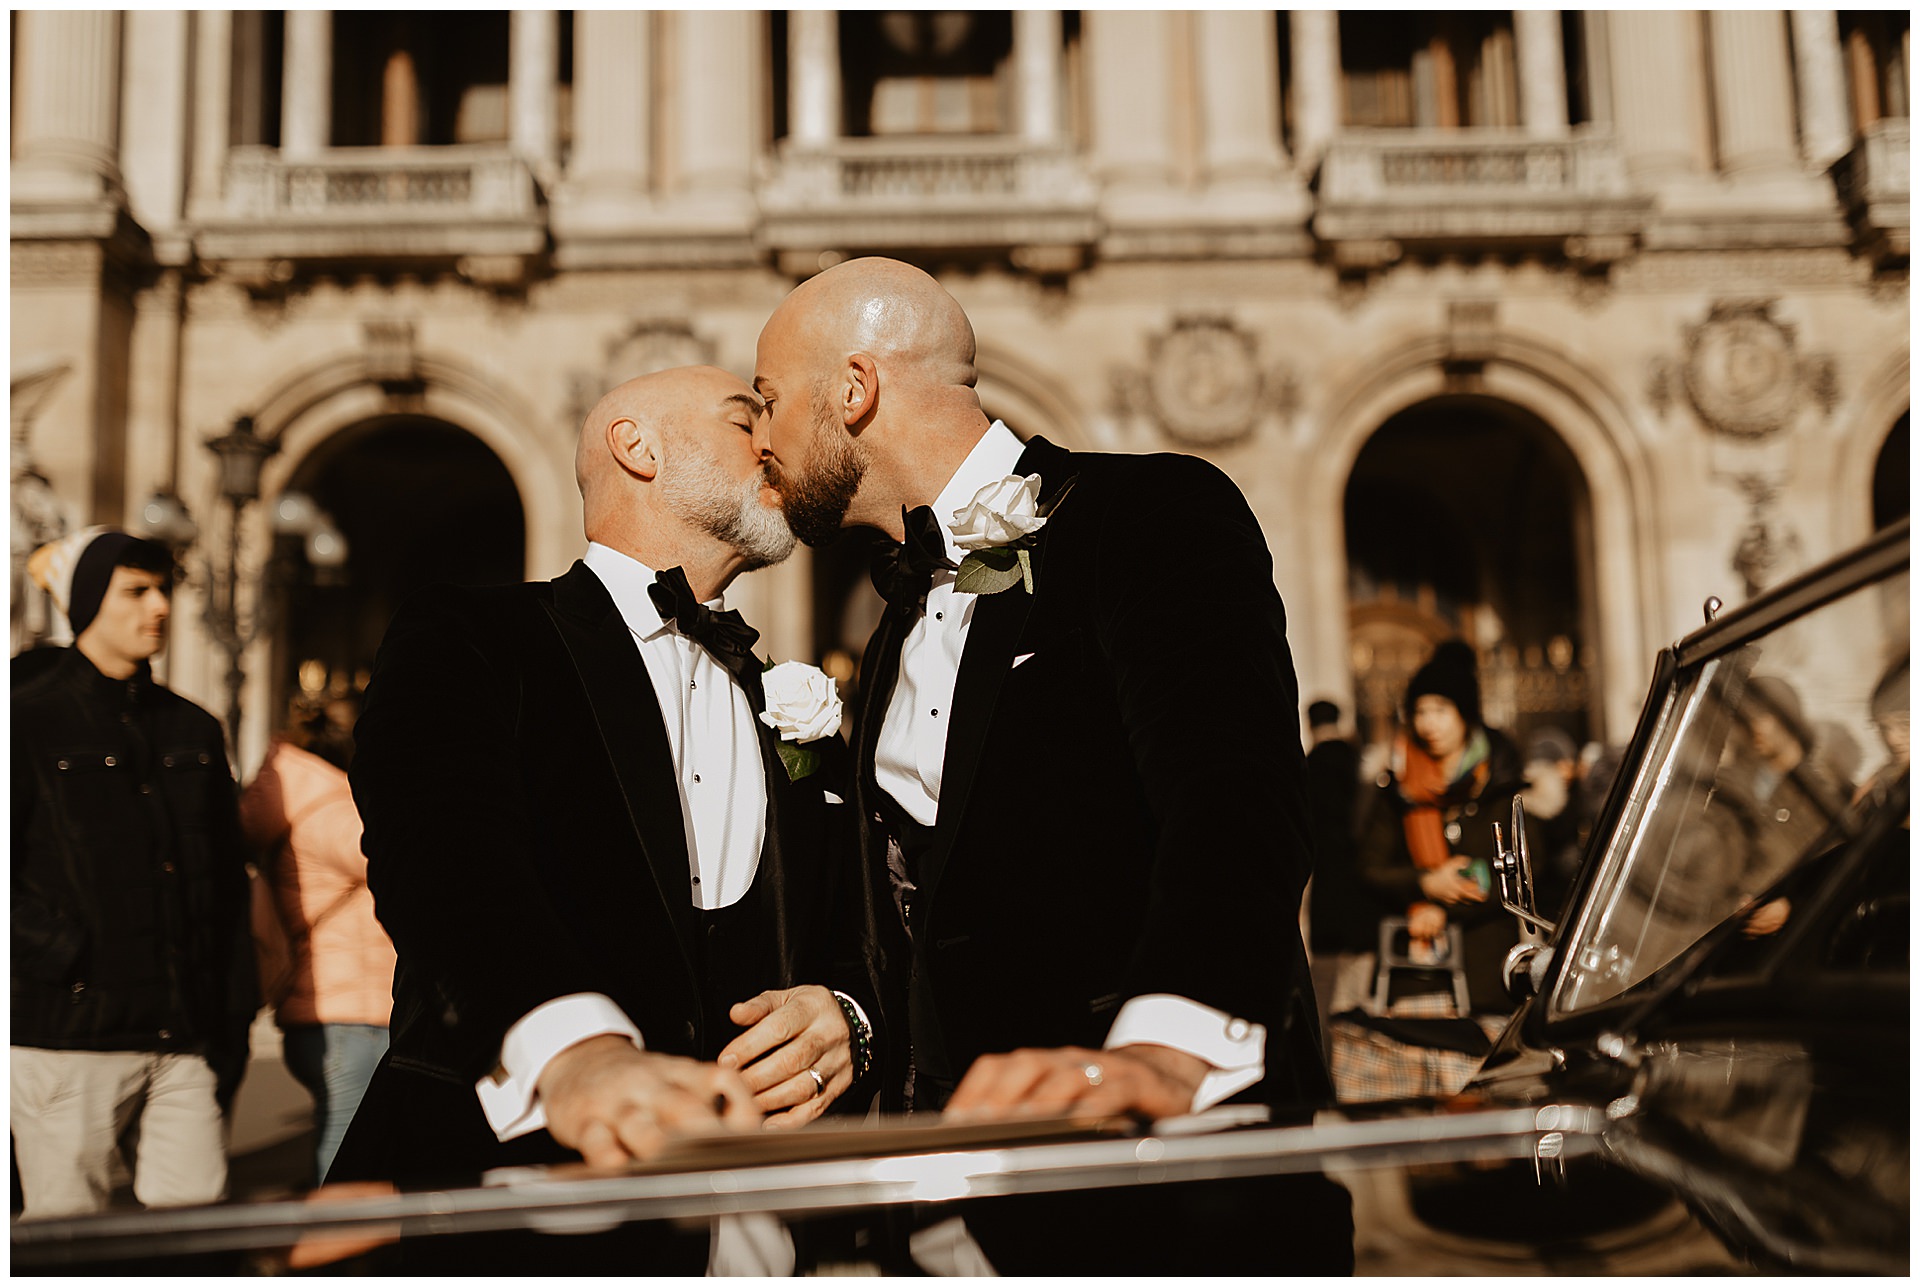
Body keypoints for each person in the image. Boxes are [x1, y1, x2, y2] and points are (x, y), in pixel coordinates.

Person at [752, 257, 1352, 1274]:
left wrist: (1165, 1050)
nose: (760, 439)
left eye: (769, 401)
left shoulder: (1151, 513)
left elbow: (1235, 805)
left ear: (853, 392)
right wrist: (850, 1013)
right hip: (958, 1204)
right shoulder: (897, 618)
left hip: (1166, 1191)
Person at [327, 367, 878, 1272]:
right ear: (639, 447)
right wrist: (576, 1051)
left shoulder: (785, 693)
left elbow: (854, 920)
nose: (776, 443)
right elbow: (441, 851)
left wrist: (849, 1019)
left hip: (762, 1214)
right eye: (748, 419)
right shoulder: (473, 635)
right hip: (517, 1194)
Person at [12, 529, 256, 1219]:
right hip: (66, 1037)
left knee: (195, 1234)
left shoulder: (194, 729)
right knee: (67, 1240)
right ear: (89, 602)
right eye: (135, 591)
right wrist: (60, 954)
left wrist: (232, 1008)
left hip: (182, 1037)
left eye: (162, 590)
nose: (157, 608)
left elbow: (225, 881)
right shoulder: (25, 720)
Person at [238, 725, 394, 1189]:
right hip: (350, 1014)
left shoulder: (303, 804)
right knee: (345, 1149)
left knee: (349, 1140)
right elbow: (393, 857)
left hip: (325, 1010)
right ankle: (332, 1253)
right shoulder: (332, 810)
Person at [1356, 641, 1526, 1017]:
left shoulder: (1501, 782)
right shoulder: (1398, 788)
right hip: (1418, 981)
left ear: (1465, 714)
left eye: (1440, 710)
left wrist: (1447, 906)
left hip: (1491, 976)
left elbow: (1525, 869)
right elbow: (1371, 867)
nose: (1427, 723)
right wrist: (1426, 883)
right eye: (1420, 711)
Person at [1304, 700, 1387, 1049]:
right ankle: (1357, 1048)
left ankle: (1326, 1050)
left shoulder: (1305, 767)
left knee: (1323, 983)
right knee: (1357, 984)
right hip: (1362, 882)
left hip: (1325, 882)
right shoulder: (1358, 764)